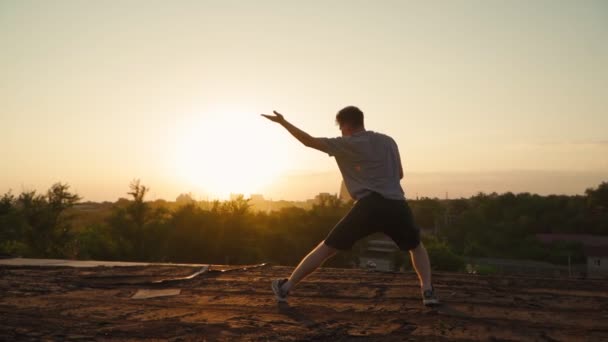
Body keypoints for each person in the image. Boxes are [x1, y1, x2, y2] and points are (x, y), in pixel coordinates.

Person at [261, 106, 439, 306]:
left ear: (343, 124)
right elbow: (399, 175)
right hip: (397, 204)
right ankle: (428, 292)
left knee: (327, 247)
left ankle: (285, 288)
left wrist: (283, 122)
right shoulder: (388, 141)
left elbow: (308, 141)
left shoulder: (345, 144)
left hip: (369, 205)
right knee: (416, 247)